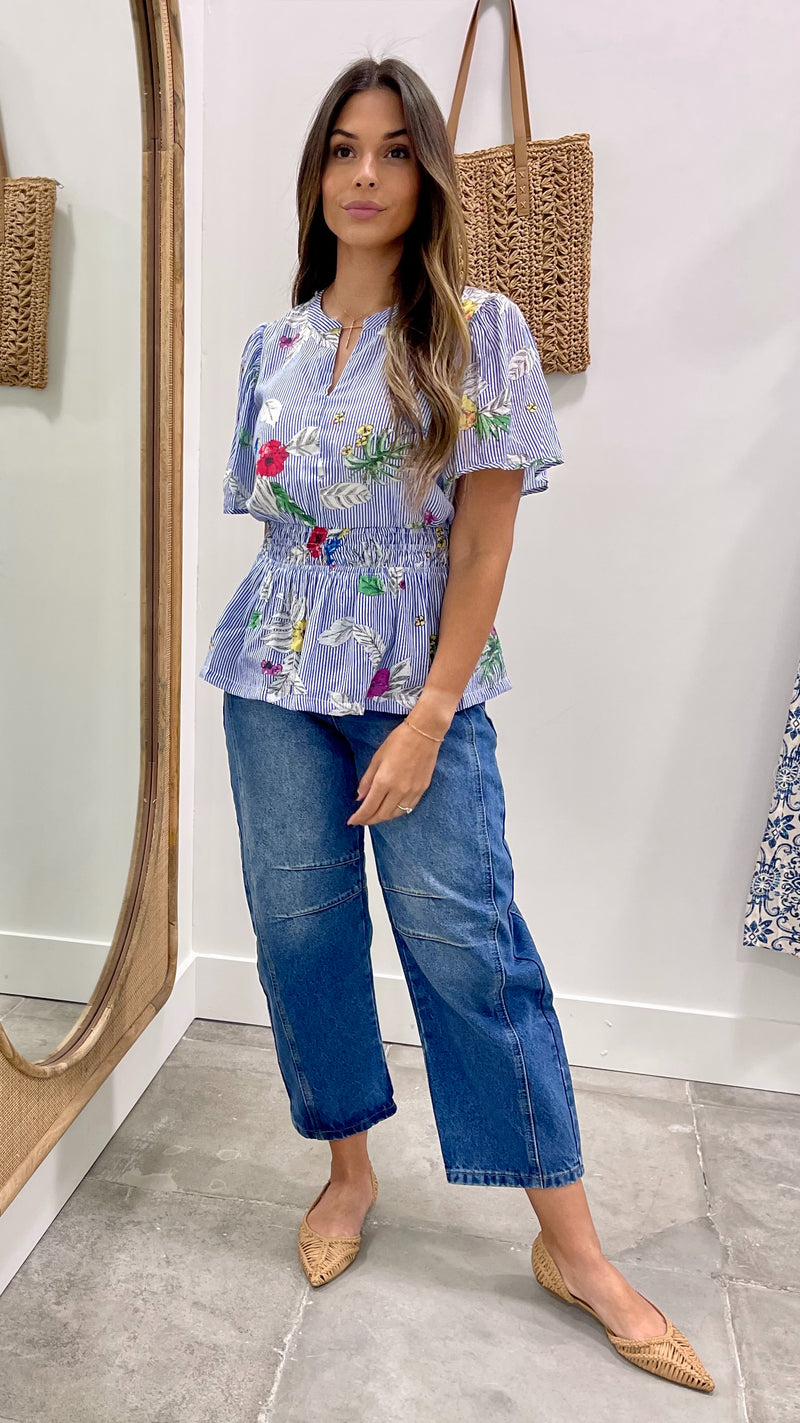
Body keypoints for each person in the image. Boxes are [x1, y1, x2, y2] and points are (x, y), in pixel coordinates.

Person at [199, 54, 714, 1394]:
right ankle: (348, 1175)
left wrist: (430, 713)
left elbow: (483, 546)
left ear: (428, 172)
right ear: (316, 175)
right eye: (341, 151)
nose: (364, 174)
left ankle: (575, 1247)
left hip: (415, 686)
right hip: (273, 675)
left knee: (470, 948)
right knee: (302, 934)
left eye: (392, 150)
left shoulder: (477, 326)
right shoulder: (273, 344)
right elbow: (277, 533)